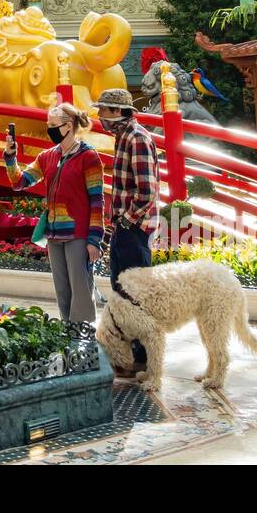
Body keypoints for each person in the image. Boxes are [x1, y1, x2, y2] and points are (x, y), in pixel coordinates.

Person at [3, 103, 105, 326]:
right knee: (62, 289)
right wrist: (10, 157)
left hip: (78, 233)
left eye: (53, 125)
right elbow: (19, 182)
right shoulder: (47, 156)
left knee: (80, 287)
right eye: (48, 124)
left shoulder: (89, 157)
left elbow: (97, 201)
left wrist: (94, 239)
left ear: (68, 126)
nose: (49, 129)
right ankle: (67, 331)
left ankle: (83, 333)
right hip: (53, 232)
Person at [94, 86, 158, 377]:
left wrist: (127, 220)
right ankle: (128, 357)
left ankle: (143, 358)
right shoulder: (123, 138)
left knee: (136, 296)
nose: (100, 116)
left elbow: (147, 191)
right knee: (121, 293)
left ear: (118, 112)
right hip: (124, 226)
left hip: (134, 229)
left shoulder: (137, 138)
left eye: (103, 110)